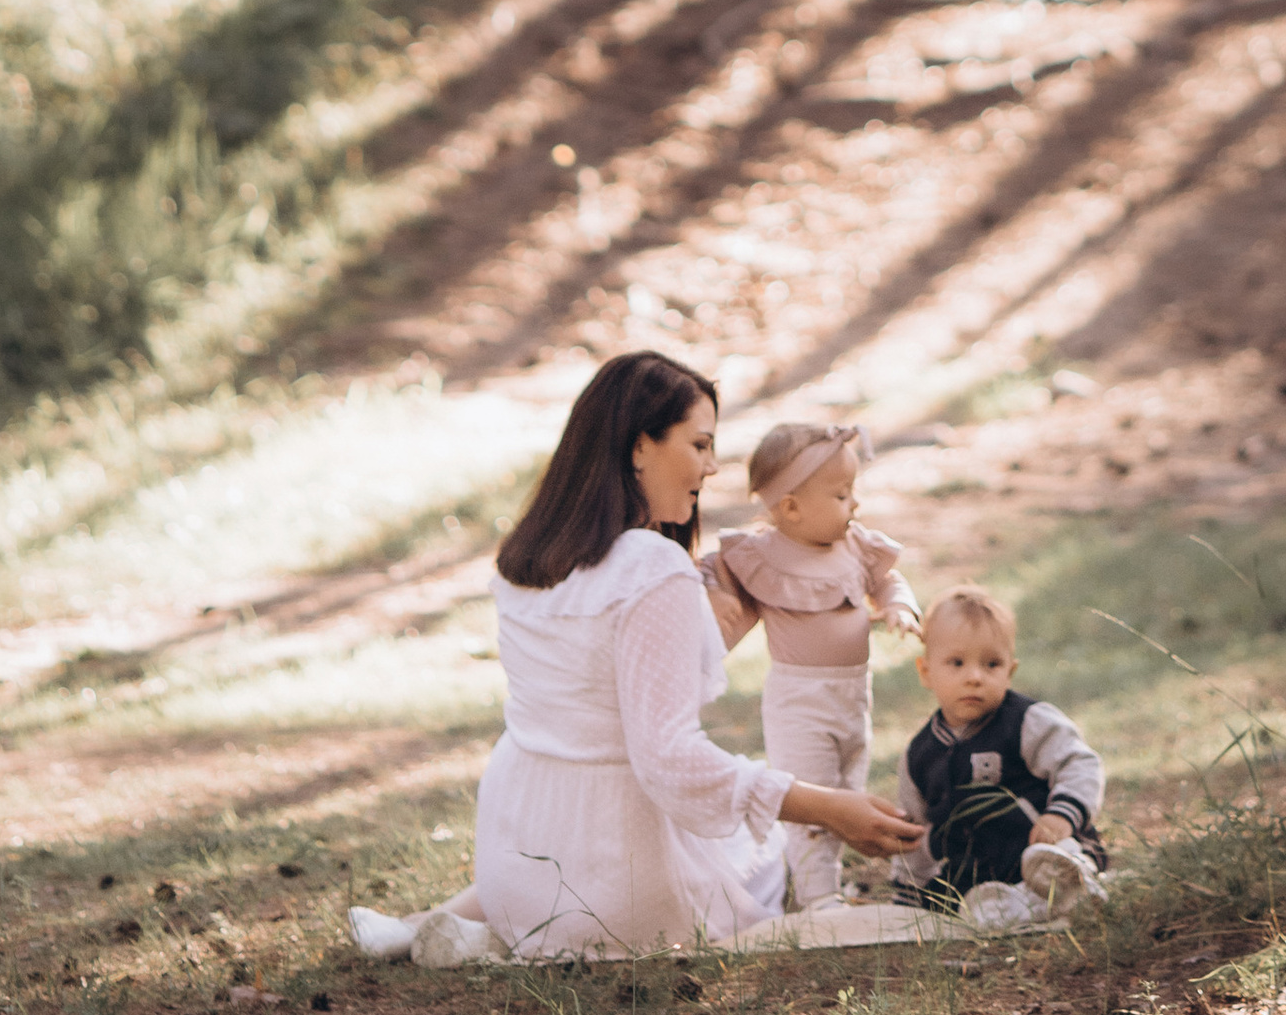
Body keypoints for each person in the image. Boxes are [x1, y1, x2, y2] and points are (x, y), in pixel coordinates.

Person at [349, 351, 925, 963]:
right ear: (638, 446)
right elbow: (670, 759)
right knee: (760, 861)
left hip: (515, 847)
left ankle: (435, 925)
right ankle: (473, 932)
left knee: (712, 835)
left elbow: (605, 686)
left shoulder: (528, 558)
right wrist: (829, 808)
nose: (711, 464)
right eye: (699, 444)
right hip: (618, 885)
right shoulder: (651, 566)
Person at [703, 416, 921, 910]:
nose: (855, 503)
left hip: (852, 696)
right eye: (841, 494)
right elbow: (706, 570)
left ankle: (830, 881)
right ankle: (818, 895)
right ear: (791, 508)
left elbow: (889, 581)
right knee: (812, 796)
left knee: (848, 787)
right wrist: (716, 595)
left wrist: (899, 605)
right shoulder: (762, 556)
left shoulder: (857, 546)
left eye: (852, 490)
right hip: (800, 701)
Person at [891, 585, 1107, 923]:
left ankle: (1071, 883)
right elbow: (915, 829)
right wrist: (908, 891)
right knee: (957, 900)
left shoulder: (1027, 721)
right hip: (976, 870)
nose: (975, 677)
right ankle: (1008, 907)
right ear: (926, 672)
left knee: (1057, 857)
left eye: (992, 664)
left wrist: (1063, 816)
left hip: (1041, 847)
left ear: (1010, 671)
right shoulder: (919, 754)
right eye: (957, 663)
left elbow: (1079, 763)